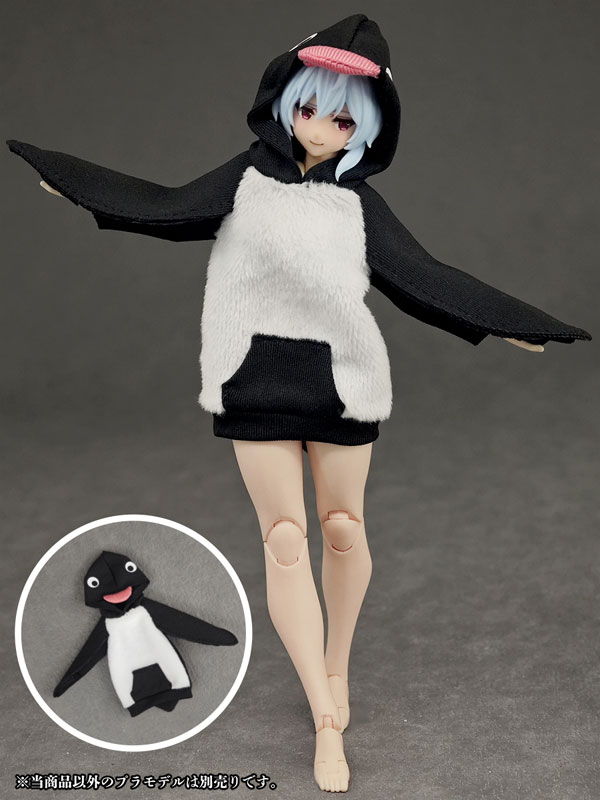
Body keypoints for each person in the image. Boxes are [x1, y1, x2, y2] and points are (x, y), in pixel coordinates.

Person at [7, 13, 590, 794]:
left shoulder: (358, 205)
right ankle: (323, 713)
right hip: (251, 377)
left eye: (342, 119)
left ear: (368, 129)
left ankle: (336, 664)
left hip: (342, 380)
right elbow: (166, 207)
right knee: (285, 540)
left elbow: (423, 277)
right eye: (308, 108)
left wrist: (509, 322)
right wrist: (74, 182)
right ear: (283, 102)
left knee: (343, 528)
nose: (318, 128)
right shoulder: (245, 179)